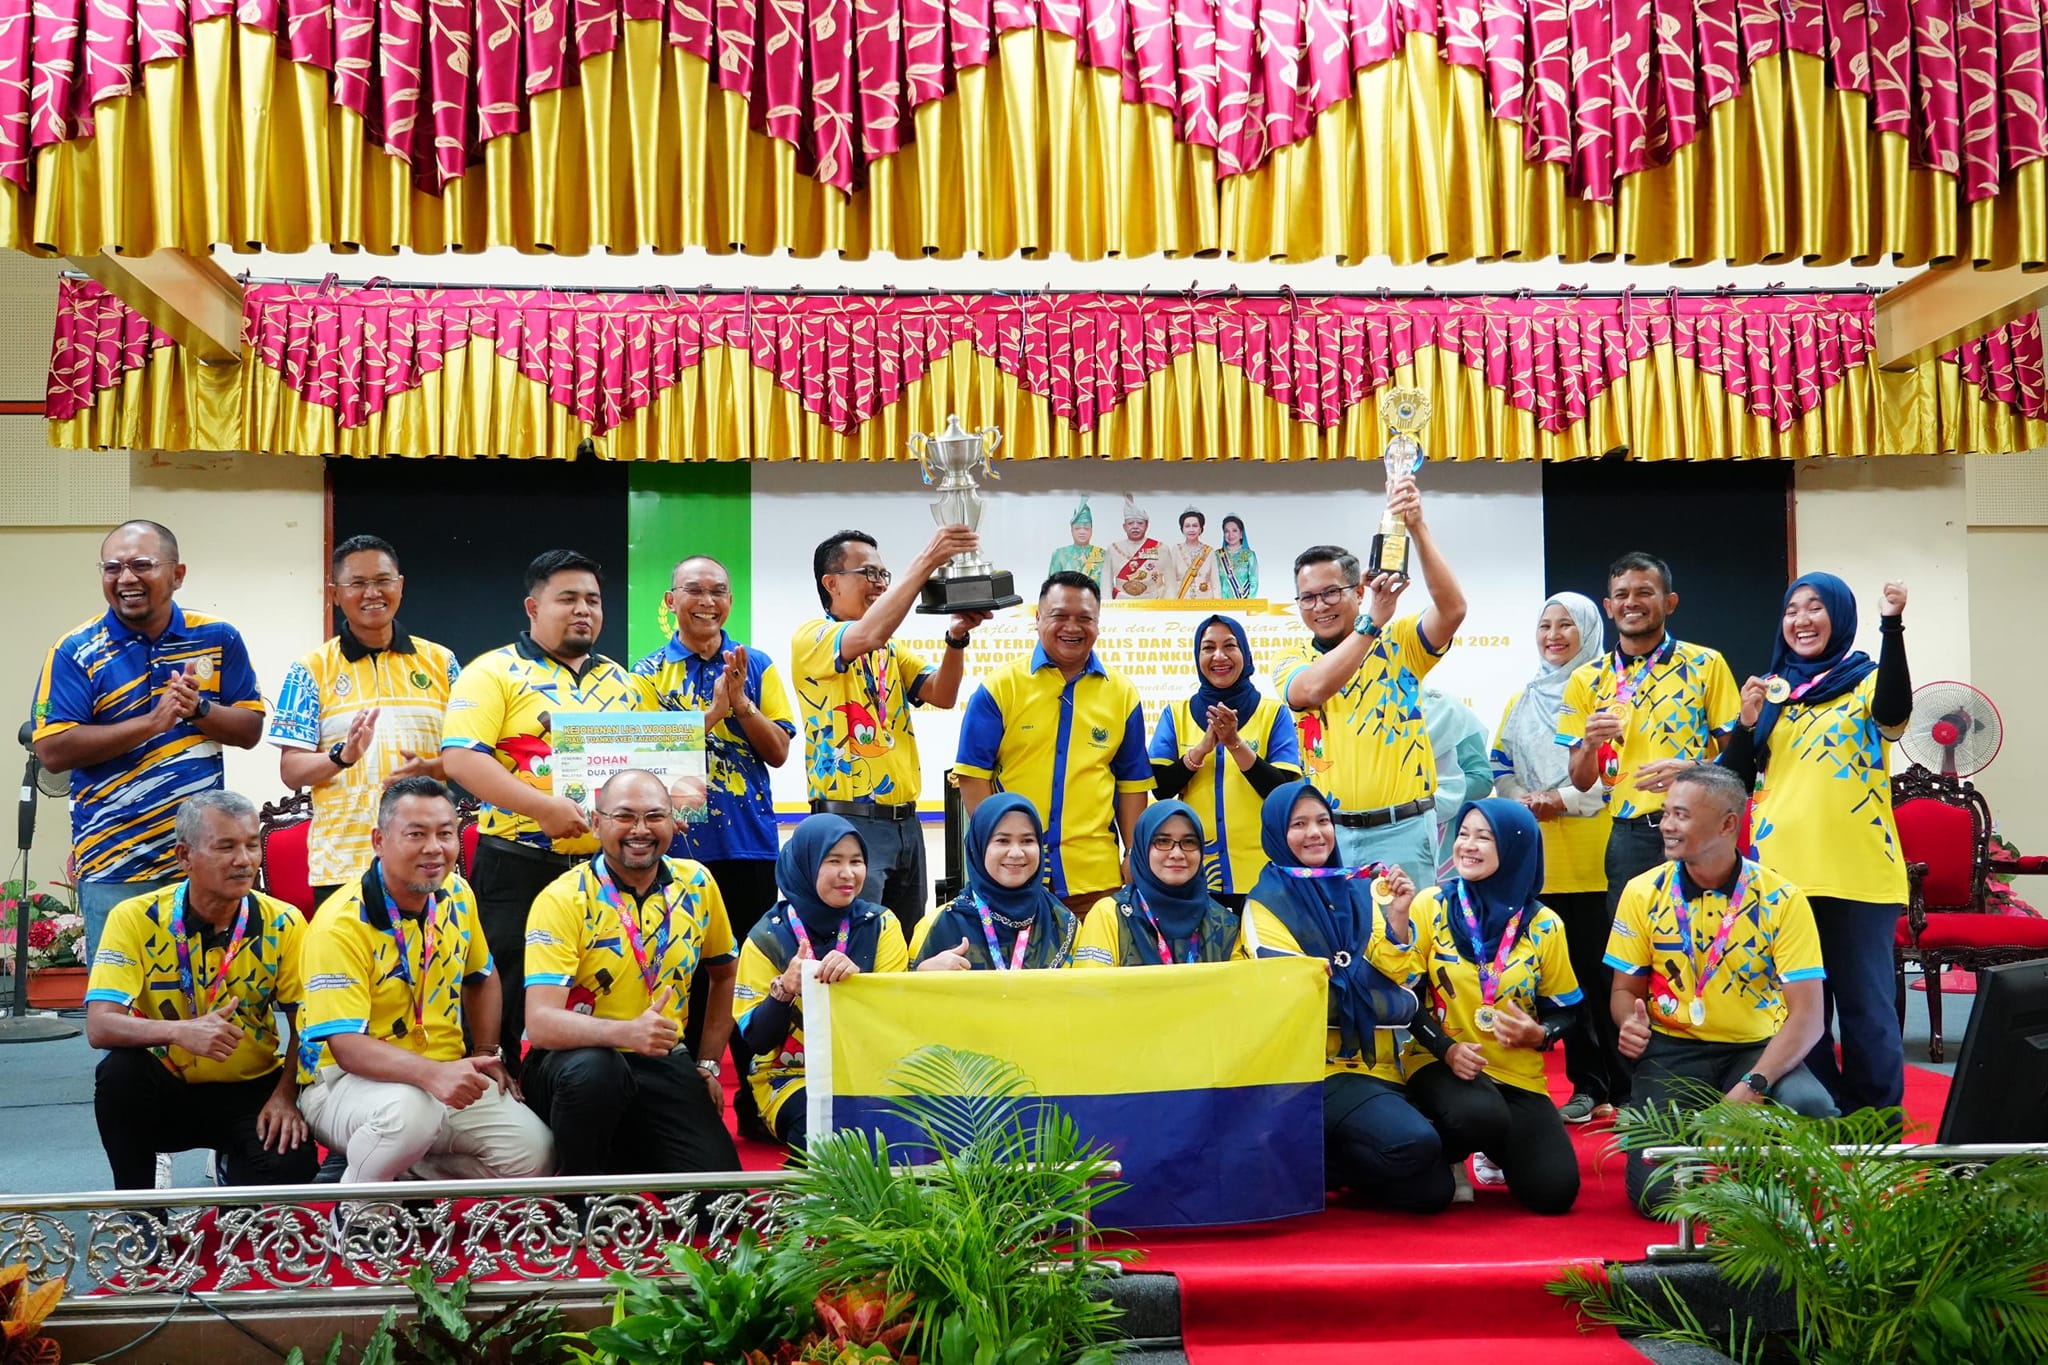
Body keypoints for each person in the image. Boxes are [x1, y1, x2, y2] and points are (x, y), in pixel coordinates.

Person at [441, 550, 658, 1069]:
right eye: (568, 599)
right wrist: (541, 807)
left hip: (602, 873)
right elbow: (460, 759)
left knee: (597, 989)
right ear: (533, 607)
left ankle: (589, 1092)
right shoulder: (492, 672)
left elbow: (655, 765)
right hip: (516, 865)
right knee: (508, 988)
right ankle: (503, 1089)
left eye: (593, 600)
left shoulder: (626, 684)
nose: (584, 610)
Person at [1718, 575, 1912, 1116]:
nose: (1801, 620)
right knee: (1801, 1013)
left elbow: (1894, 711)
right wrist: (1745, 724)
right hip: (1780, 878)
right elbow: (1733, 783)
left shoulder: (1866, 681)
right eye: (1792, 610)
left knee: (1868, 1011)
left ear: (1841, 617)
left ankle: (1875, 1128)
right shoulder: (1773, 692)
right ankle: (1819, 1121)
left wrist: (1891, 625)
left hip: (1859, 875)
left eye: (1816, 608)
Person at [297, 777, 555, 1183]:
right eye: (416, 834)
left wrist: (486, 1052)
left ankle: (404, 1168)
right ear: (379, 841)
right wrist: (432, 1075)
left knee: (535, 1155)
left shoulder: (457, 893)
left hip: (444, 1071)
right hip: (345, 1083)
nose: (434, 848)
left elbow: (482, 976)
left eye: (445, 834)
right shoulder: (339, 924)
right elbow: (346, 1047)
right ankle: (357, 1207)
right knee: (411, 1115)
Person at [1604, 765, 1836, 1214]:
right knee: (1658, 1199)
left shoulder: (1782, 898)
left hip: (1756, 1050)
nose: (1666, 825)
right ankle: (1721, 1151)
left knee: (1810, 1108)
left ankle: (1745, 1155)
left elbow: (1808, 1019)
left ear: (1728, 824)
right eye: (1665, 813)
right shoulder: (1641, 892)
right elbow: (1623, 991)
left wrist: (1754, 1084)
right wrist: (1629, 1021)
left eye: (1681, 815)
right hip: (1672, 1051)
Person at [33, 521, 266, 958]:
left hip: (202, 859)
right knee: (119, 990)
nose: (126, 578)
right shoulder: (75, 650)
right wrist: (153, 723)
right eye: (112, 568)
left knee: (208, 981)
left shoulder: (217, 637)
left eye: (142, 565)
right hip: (112, 861)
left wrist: (199, 710)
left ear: (177, 574)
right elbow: (52, 750)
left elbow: (250, 729)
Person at [633, 553, 796, 1135]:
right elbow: (645, 755)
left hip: (749, 846)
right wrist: (713, 712)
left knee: (750, 974)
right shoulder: (647, 673)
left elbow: (778, 751)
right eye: (695, 590)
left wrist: (742, 705)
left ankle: (756, 1105)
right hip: (677, 851)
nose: (708, 601)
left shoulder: (758, 664)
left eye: (719, 591)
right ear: (671, 600)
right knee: (686, 975)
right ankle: (682, 1107)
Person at [83, 791, 317, 1189]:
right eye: (225, 847)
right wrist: (180, 1032)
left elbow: (306, 1026)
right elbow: (100, 1026)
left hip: (252, 1089)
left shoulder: (285, 922)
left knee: (291, 1165)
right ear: (184, 856)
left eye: (251, 845)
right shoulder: (135, 918)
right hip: (166, 1088)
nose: (243, 860)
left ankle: (233, 1174)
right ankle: (139, 1208)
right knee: (119, 1074)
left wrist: (285, 1096)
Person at [1237, 782, 1447, 1211]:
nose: (1315, 833)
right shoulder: (1264, 905)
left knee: (1432, 1192)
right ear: (1276, 833)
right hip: (1317, 1071)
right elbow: (1296, 992)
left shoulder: (1358, 888)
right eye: (1298, 824)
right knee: (1416, 1145)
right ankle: (1310, 1156)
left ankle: (1318, 1163)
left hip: (1382, 1065)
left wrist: (1399, 918)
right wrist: (1374, 987)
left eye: (1322, 821)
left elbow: (1400, 975)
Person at [522, 770, 740, 1176]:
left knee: (719, 1198)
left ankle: (627, 1151)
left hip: (660, 1058)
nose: (640, 830)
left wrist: (709, 1063)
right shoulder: (563, 898)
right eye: (624, 816)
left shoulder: (697, 883)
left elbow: (726, 974)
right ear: (596, 822)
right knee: (597, 1073)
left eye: (654, 816)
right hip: (573, 1062)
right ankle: (581, 1191)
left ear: (675, 822)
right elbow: (541, 1024)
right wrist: (627, 1033)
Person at [1273, 475, 1468, 888]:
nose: (1319, 606)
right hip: (1329, 836)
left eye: (1331, 593)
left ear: (1359, 592)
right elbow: (1312, 691)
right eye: (1308, 597)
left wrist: (1417, 526)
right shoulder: (1293, 659)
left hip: (1403, 830)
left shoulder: (1400, 642)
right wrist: (1371, 624)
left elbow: (1452, 610)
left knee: (1410, 928)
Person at [792, 527, 988, 933]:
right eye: (869, 573)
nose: (880, 583)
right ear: (831, 583)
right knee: (855, 944)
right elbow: (869, 633)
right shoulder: (813, 637)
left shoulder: (889, 651)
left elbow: (942, 694)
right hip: (850, 822)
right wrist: (927, 561)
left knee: (904, 941)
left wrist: (956, 638)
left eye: (883, 574)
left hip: (905, 825)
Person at [1401, 800, 1583, 1215]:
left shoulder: (1544, 925)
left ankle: (1493, 1147)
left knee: (1554, 1193)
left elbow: (1567, 1012)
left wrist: (1541, 1034)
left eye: (1484, 837)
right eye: (1463, 834)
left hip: (1516, 1075)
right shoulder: (1431, 905)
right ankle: (1447, 1149)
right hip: (1440, 1062)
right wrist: (1446, 1049)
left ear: (1515, 848)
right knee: (1477, 1115)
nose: (1468, 845)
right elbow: (1406, 999)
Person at [270, 535, 461, 907]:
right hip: (343, 865)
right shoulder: (309, 670)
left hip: (428, 864)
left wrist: (433, 767)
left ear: (400, 585)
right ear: (334, 594)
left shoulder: (442, 662)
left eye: (382, 581)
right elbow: (291, 772)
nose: (372, 593)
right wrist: (342, 756)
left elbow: (472, 757)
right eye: (357, 583)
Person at [1559, 553, 1741, 936]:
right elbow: (1580, 780)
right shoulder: (1586, 679)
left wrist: (1693, 772)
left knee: (1707, 935)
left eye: (1644, 592)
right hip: (1629, 834)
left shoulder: (1706, 665)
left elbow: (1741, 759)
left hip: (1700, 825)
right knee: (1631, 943)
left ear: (1669, 602)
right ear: (1609, 607)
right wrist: (1589, 744)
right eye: (1621, 594)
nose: (1632, 602)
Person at [1491, 592, 1619, 1125]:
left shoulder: (1607, 694)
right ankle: (1582, 1086)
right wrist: (1521, 799)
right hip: (1538, 863)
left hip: (1595, 858)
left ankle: (1621, 1087)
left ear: (1588, 631)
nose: (1554, 635)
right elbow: (1499, 764)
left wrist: (1559, 799)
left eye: (1567, 625)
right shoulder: (1522, 699)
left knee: (1603, 978)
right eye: (1545, 625)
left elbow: (1617, 773)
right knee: (1559, 983)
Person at [955, 574, 1151, 914]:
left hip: (1094, 879)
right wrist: (1000, 846)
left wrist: (1133, 854)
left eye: (1085, 618)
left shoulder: (1122, 694)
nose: (1072, 627)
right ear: (1038, 618)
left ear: (1098, 623)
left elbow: (1131, 784)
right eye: (1059, 616)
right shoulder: (1000, 688)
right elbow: (973, 775)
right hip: (1012, 876)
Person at [732, 815, 910, 1149]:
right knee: (827, 1133)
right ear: (806, 864)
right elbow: (756, 1040)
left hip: (871, 1072)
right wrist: (784, 990)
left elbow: (895, 1022)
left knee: (912, 1133)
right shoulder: (767, 937)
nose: (848, 873)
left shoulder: (881, 925)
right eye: (834, 861)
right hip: (791, 1076)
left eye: (856, 861)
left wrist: (859, 985)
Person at [1149, 615, 1301, 907]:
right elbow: (1161, 788)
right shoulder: (1176, 714)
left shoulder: (1273, 714)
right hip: (1194, 873)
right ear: (1197, 657)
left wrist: (1234, 743)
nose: (1219, 656)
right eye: (1208, 648)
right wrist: (1201, 749)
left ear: (1245, 652)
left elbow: (1281, 793)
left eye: (1230, 646)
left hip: (1263, 873)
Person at [911, 794, 1079, 970]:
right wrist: (923, 973)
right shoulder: (940, 925)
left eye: (1027, 841)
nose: (1016, 853)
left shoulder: (1062, 923)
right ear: (979, 846)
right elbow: (905, 987)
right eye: (1002, 841)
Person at [1073, 801, 1239, 967]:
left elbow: (1241, 982)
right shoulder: (1110, 915)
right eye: (1163, 841)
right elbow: (1091, 982)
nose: (1177, 853)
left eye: (1189, 842)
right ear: (1142, 847)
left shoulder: (1224, 922)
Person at [1420, 686, 1494, 879]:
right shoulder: (1359, 712)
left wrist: (1431, 800)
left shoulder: (1445, 710)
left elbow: (1481, 777)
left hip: (1443, 835)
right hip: (1378, 836)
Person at [1107, 496, 1165, 601]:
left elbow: (1170, 584)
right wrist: (1106, 605)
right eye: (1130, 523)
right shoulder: (1113, 549)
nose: (1135, 527)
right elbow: (1106, 583)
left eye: (1140, 523)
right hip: (1121, 601)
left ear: (1147, 525)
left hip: (1152, 601)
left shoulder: (1161, 548)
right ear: (1124, 526)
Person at [1046, 500, 1106, 593]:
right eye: (1077, 528)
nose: (1082, 532)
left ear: (1091, 530)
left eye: (1086, 528)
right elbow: (1052, 588)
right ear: (1072, 530)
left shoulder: (1103, 554)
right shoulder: (1060, 554)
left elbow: (1107, 588)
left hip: (1095, 600)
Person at [1163, 506, 1219, 599]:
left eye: (1195, 526)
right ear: (1182, 529)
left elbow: (1216, 582)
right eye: (1187, 526)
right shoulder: (1176, 550)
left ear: (1201, 528)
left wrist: (1218, 603)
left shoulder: (1209, 551)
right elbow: (1170, 581)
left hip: (1205, 602)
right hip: (1182, 601)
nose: (1191, 529)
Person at [1217, 515, 1258, 600]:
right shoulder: (1217, 555)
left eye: (1234, 530)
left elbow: (1254, 581)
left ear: (1241, 534)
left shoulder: (1249, 555)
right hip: (1221, 603)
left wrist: (1248, 603)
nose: (1230, 535)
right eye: (1226, 531)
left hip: (1243, 603)